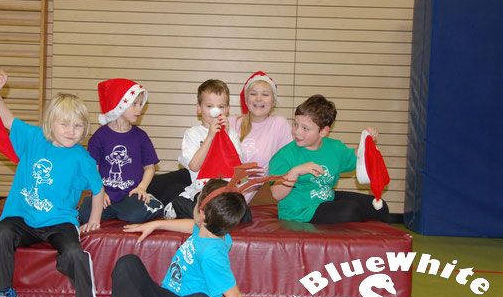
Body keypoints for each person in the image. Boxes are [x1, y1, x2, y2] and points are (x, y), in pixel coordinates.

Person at [0, 71, 109, 297]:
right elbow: (7, 119)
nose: (71, 131)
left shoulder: (82, 158)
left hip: (60, 221)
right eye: (65, 124)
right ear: (50, 123)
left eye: (77, 126)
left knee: (74, 254)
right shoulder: (34, 138)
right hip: (22, 217)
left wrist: (95, 219)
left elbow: (98, 189)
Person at [97, 179, 274, 297]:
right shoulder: (210, 231)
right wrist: (156, 224)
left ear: (202, 213)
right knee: (127, 264)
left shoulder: (212, 254)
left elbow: (234, 296)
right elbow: (191, 225)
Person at [269, 94, 390, 223]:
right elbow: (277, 194)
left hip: (327, 200)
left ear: (323, 132)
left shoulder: (334, 147)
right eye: (295, 124)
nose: (297, 131)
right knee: (350, 211)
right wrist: (295, 172)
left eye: (305, 128)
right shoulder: (284, 155)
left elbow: (356, 158)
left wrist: (365, 143)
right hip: (300, 211)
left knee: (380, 206)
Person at [78, 78, 163, 225]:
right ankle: (117, 211)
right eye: (134, 104)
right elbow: (93, 170)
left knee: (135, 215)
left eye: (141, 104)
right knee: (84, 213)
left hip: (130, 194)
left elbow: (150, 168)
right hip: (104, 194)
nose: (139, 109)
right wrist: (99, 192)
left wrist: (141, 188)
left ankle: (153, 203)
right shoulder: (99, 137)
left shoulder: (141, 137)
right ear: (119, 105)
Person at [163, 79, 243, 219]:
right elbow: (194, 166)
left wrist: (226, 137)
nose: (215, 111)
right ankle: (178, 205)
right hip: (201, 190)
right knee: (207, 210)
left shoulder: (232, 134)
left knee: (244, 215)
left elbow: (237, 167)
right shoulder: (192, 134)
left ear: (227, 109)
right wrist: (210, 137)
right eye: (209, 106)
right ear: (199, 108)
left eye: (221, 106)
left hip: (226, 191)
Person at [228, 71, 292, 203]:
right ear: (246, 100)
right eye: (253, 94)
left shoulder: (279, 124)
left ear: (273, 101)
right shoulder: (231, 123)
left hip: (256, 198)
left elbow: (291, 160)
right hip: (226, 191)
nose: (258, 99)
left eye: (265, 94)